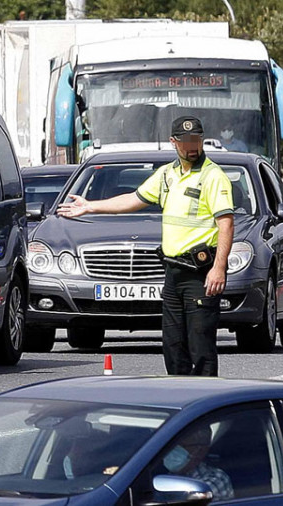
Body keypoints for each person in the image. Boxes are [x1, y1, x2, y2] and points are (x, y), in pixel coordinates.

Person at [57, 116, 234, 376]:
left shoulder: (212, 176)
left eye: (196, 139)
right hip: (174, 273)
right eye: (185, 141)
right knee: (173, 345)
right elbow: (132, 199)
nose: (192, 146)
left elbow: (226, 224)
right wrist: (91, 206)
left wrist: (219, 268)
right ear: (174, 143)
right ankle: (180, 399)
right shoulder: (167, 175)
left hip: (200, 273)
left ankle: (205, 401)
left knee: (201, 345)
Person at [160, 424, 234, 501]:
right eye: (172, 445)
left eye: (181, 446)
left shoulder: (215, 478)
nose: (172, 450)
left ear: (200, 451)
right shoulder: (160, 473)